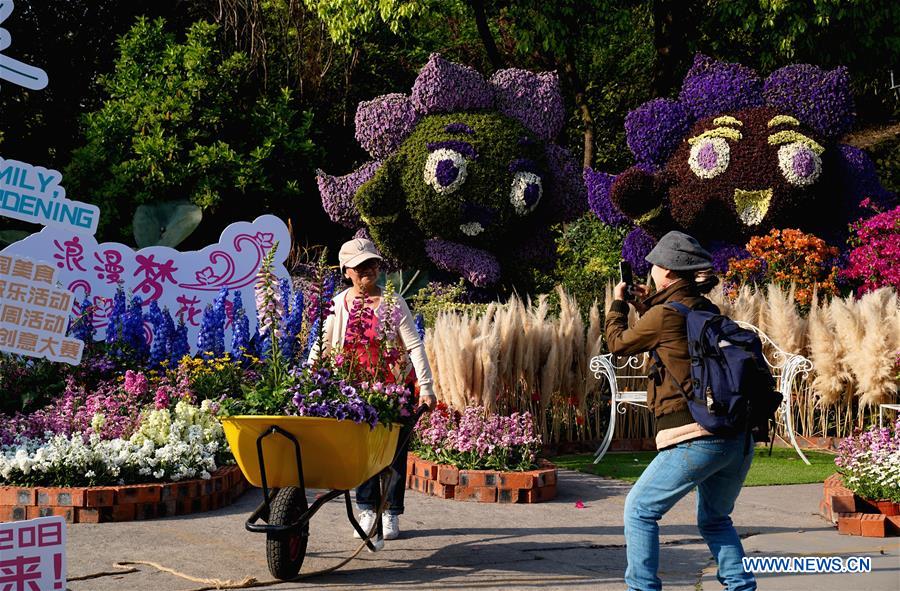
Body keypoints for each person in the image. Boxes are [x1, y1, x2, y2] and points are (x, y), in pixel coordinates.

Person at [605, 231, 756, 591]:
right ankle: (741, 587)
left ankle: (642, 588)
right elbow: (674, 336)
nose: (650, 271)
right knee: (716, 520)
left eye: (655, 266)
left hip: (695, 436)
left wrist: (617, 305)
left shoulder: (663, 314)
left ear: (669, 272)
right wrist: (648, 304)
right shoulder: (705, 309)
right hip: (736, 438)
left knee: (639, 511)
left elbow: (617, 343)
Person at [307, 238, 436, 541]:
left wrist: (426, 387)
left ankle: (390, 512)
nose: (369, 270)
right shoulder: (338, 304)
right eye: (361, 265)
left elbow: (414, 346)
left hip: (392, 390)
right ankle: (367, 509)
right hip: (353, 391)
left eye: (373, 263)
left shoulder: (394, 302)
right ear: (346, 271)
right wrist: (308, 377)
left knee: (393, 454)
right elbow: (322, 344)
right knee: (362, 453)